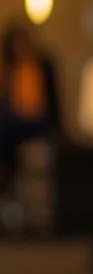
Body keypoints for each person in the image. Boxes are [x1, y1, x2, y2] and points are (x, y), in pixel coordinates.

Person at [0, 19, 63, 234]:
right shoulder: (9, 71)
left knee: (6, 123)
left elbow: (53, 109)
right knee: (5, 119)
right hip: (15, 128)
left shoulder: (43, 66)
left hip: (37, 125)